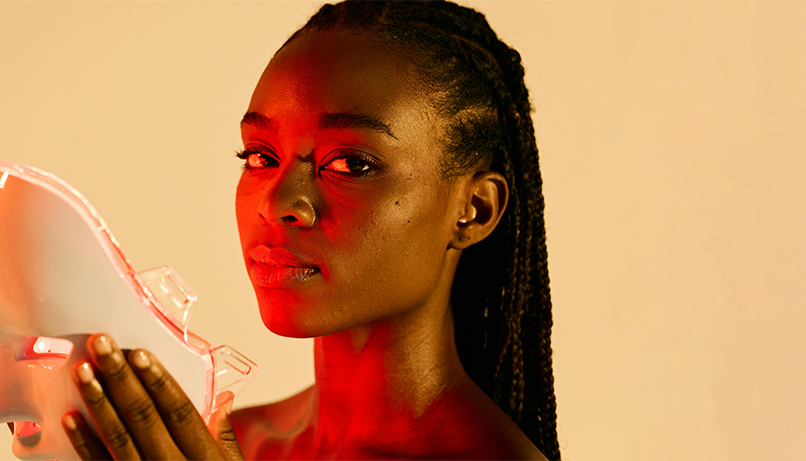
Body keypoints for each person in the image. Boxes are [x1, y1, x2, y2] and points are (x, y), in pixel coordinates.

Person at [42, 1, 560, 459]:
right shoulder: (219, 440)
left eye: (350, 164)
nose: (278, 203)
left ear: (474, 209)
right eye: (260, 156)